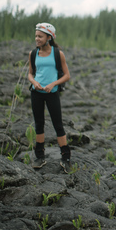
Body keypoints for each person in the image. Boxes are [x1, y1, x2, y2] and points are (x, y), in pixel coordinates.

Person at [28, 22, 72, 173]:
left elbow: (67, 75)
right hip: (36, 93)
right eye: (36, 36)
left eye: (40, 36)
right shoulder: (33, 54)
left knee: (58, 124)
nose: (37, 39)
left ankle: (66, 157)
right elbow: (30, 73)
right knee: (39, 124)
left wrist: (53, 84)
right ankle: (39, 156)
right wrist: (34, 82)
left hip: (52, 94)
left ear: (49, 37)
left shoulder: (57, 54)